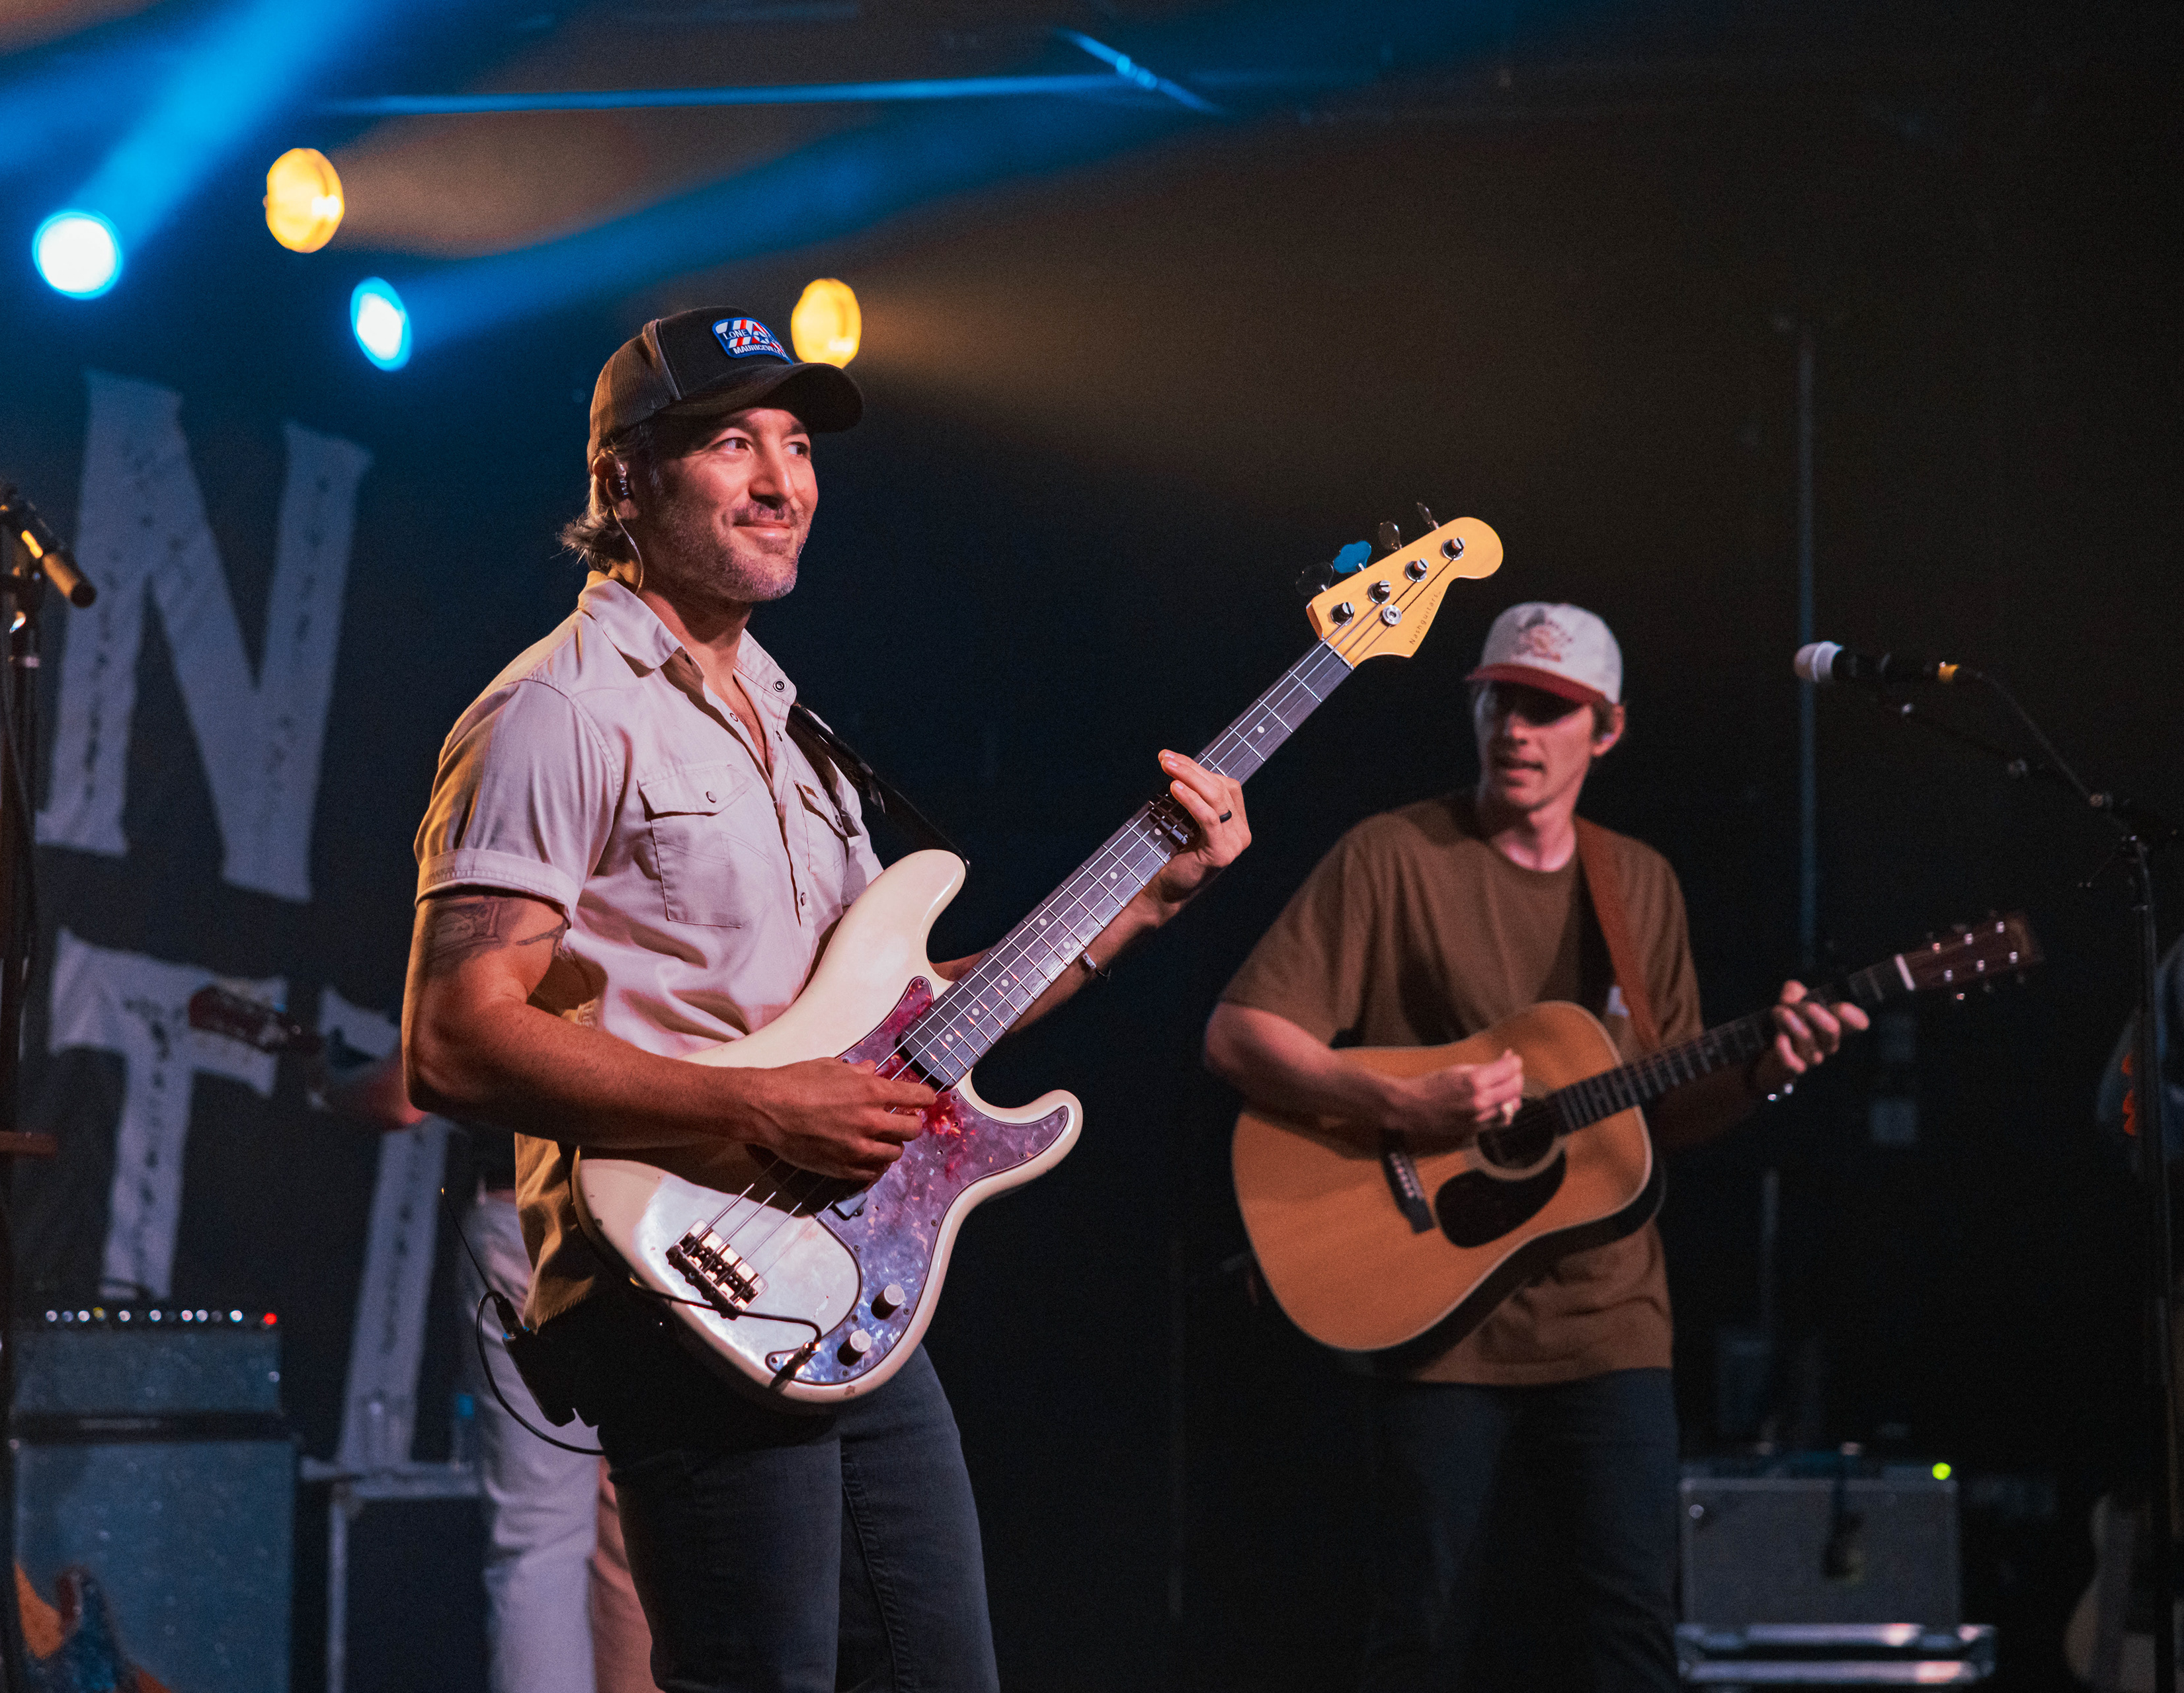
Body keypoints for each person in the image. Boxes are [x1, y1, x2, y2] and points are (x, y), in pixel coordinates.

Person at [399, 305, 1251, 1692]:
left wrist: (1143, 904)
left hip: (843, 1283)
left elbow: (902, 1028)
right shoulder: (558, 711)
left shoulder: (796, 729)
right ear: (624, 481)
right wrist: (759, 1108)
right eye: (731, 442)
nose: (781, 481)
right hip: (684, 1284)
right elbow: (452, 1037)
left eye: (796, 445)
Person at [1203, 602, 1866, 1693]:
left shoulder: (1637, 882)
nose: (1516, 727)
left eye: (1550, 709)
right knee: (1419, 1632)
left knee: (1631, 1631)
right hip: (1436, 1311)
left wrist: (1768, 1069)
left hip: (1609, 1317)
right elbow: (1241, 1035)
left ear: (1606, 730)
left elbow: (1663, 1112)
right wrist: (1403, 1104)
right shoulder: (1393, 856)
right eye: (1500, 700)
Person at [321, 1041, 659, 1693]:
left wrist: (327, 1081)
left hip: (531, 1218)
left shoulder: (512, 963)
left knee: (538, 1542)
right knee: (637, 1534)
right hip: (658, 1227)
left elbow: (401, 1097)